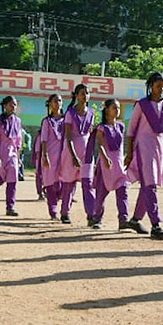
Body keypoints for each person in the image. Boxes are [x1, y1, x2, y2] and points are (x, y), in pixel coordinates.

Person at [125, 72, 163, 240]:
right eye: (158, 86)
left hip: (159, 149)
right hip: (144, 148)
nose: (161, 90)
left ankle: (136, 219)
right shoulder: (142, 105)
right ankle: (156, 224)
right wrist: (130, 153)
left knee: (148, 186)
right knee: (150, 184)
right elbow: (131, 131)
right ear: (150, 86)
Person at [90, 98, 135, 230]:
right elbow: (100, 144)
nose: (117, 110)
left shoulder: (120, 126)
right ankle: (97, 219)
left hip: (118, 165)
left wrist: (126, 157)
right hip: (105, 166)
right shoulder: (101, 128)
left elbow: (122, 145)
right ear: (107, 110)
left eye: (118, 108)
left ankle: (123, 220)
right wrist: (105, 158)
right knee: (101, 195)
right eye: (114, 108)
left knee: (123, 192)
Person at [58, 84, 96, 226]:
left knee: (88, 184)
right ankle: (65, 213)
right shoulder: (70, 113)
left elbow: (90, 133)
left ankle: (91, 214)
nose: (85, 95)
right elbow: (68, 136)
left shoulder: (91, 113)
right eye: (82, 93)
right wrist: (73, 156)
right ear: (76, 96)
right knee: (69, 183)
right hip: (71, 151)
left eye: (87, 93)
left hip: (86, 151)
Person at [38, 95, 67, 220]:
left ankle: (60, 202)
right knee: (50, 184)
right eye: (55, 101)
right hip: (50, 155)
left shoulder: (66, 120)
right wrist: (45, 155)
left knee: (62, 183)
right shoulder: (46, 121)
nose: (57, 103)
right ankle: (53, 210)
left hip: (64, 156)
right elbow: (44, 140)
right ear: (50, 104)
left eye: (59, 101)